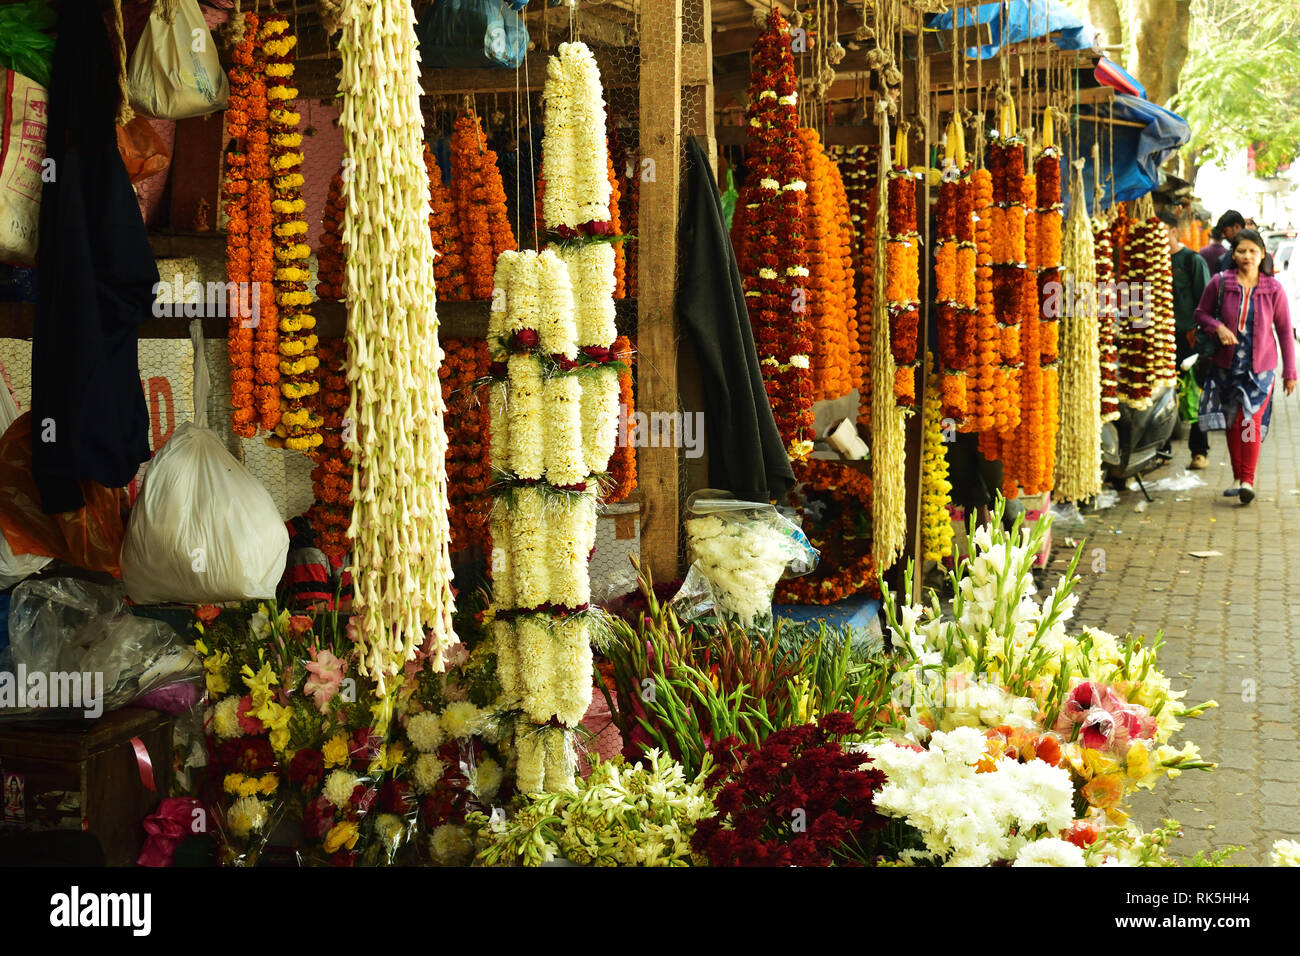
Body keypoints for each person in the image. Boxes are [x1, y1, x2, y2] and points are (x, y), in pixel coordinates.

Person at [1195, 228, 1296, 504]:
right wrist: (1217, 327)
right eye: (1241, 251)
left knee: (1249, 419)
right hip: (1225, 367)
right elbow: (1201, 313)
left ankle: (1248, 480)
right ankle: (1238, 478)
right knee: (1232, 422)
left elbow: (1285, 331)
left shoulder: (1273, 288)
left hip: (1260, 369)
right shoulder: (1220, 283)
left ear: (1262, 254)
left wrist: (1290, 372)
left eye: (1253, 251)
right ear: (1233, 254)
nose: (1247, 256)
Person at [1158, 209, 1212, 467]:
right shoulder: (1151, 260)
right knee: (1163, 393)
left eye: (1159, 233)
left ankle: (1199, 452)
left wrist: (1200, 336)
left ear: (1172, 232)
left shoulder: (1192, 260)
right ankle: (1162, 448)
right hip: (1159, 338)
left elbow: (1207, 304)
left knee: (1195, 394)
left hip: (1188, 337)